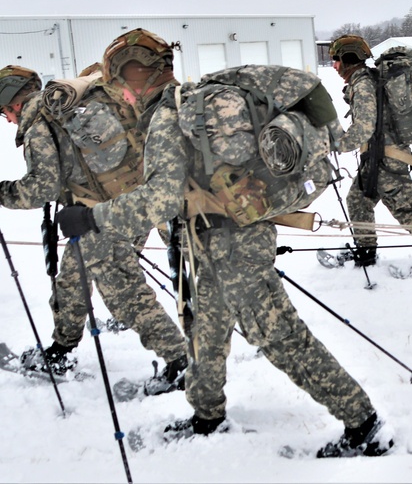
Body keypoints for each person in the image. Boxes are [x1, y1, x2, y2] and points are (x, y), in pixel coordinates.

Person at [54, 62, 394, 458]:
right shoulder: (194, 106)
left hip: (233, 244)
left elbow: (159, 200)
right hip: (220, 236)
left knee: (280, 335)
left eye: (118, 89)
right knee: (208, 328)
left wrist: (92, 218)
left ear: (131, 86)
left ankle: (363, 422)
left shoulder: (169, 116)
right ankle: (206, 412)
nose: (119, 99)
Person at [0, 43, 188, 390]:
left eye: (4, 112)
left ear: (13, 102)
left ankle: (180, 360)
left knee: (125, 294)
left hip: (100, 216)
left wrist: (3, 193)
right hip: (125, 202)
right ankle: (61, 350)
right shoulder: (63, 108)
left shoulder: (40, 123)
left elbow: (42, 187)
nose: (8, 120)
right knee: (72, 280)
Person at [330, 34, 412, 270]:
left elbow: (364, 127)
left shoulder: (363, 84)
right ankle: (365, 251)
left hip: (387, 159)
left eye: (336, 59)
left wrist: (339, 144)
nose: (334, 66)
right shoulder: (364, 79)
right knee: (358, 200)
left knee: (405, 209)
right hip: (376, 157)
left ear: (348, 58)